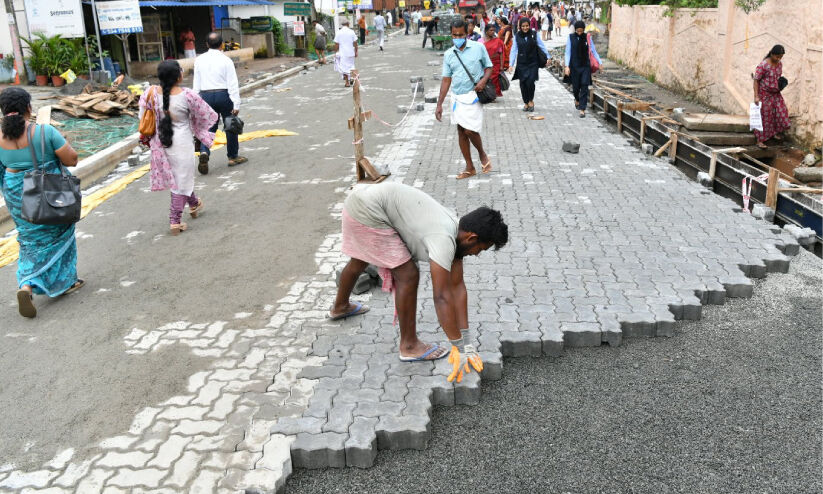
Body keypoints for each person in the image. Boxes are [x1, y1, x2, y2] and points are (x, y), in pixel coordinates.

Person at [330, 182, 508, 377]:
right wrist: (456, 345)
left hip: (364, 201)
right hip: (366, 210)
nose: (477, 255)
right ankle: (409, 345)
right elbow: (441, 297)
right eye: (480, 249)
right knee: (408, 274)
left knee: (361, 258)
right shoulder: (443, 239)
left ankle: (340, 306)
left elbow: (457, 288)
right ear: (472, 238)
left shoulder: (459, 233)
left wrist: (467, 343)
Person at [0, 87, 82, 318]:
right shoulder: (44, 132)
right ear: (28, 107)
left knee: (29, 242)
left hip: (19, 199)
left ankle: (26, 284)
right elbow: (72, 159)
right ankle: (65, 283)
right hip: (50, 195)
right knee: (60, 235)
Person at [140, 60, 217, 236]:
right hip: (181, 143)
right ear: (178, 76)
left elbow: (142, 116)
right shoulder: (188, 95)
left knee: (181, 177)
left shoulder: (149, 93)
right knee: (181, 180)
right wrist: (198, 129)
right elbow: (206, 115)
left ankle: (194, 202)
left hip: (160, 143)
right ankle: (175, 220)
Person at [435, 19, 494, 179]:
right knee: (461, 132)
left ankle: (482, 154)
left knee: (470, 129)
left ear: (467, 33)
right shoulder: (449, 54)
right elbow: (446, 79)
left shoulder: (478, 48)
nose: (457, 37)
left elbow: (489, 67)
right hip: (457, 97)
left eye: (460, 34)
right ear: (451, 34)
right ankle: (470, 167)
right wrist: (439, 104)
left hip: (474, 96)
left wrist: (483, 81)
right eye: (454, 35)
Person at [193, 32, 245, 174]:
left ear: (207, 44)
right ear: (222, 45)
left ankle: (204, 151)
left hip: (206, 96)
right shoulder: (226, 60)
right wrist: (236, 104)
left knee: (209, 127)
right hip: (224, 94)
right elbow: (232, 83)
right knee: (230, 125)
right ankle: (233, 156)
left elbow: (196, 83)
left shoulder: (199, 60)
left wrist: (195, 102)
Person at [508, 17, 550, 112]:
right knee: (523, 83)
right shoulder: (517, 36)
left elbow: (541, 45)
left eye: (527, 26)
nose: (525, 28)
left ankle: (531, 100)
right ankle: (526, 102)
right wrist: (511, 64)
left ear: (529, 26)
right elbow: (514, 50)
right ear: (520, 26)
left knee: (530, 82)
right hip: (522, 63)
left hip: (533, 62)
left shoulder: (534, 34)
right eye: (523, 26)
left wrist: (548, 56)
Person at [753, 45, 790, 149]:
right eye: (777, 57)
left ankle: (773, 133)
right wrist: (756, 96)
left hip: (776, 94)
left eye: (781, 57)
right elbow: (756, 80)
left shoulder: (779, 64)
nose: (779, 59)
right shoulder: (763, 65)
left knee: (780, 113)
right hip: (764, 94)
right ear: (772, 54)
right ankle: (759, 140)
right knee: (764, 117)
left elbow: (776, 77)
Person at [564, 20, 601, 118]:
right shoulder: (571, 37)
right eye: (578, 31)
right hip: (574, 66)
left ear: (584, 30)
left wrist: (600, 62)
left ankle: (582, 109)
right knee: (576, 88)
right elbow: (567, 52)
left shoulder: (588, 37)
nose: (579, 33)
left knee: (584, 86)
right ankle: (576, 99)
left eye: (581, 31)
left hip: (585, 66)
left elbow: (593, 51)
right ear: (575, 30)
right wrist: (567, 66)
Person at [334, 19, 358, 87]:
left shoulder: (339, 32)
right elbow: (355, 43)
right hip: (351, 52)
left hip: (343, 53)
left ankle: (347, 82)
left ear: (342, 25)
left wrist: (335, 52)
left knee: (344, 68)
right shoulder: (351, 32)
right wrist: (356, 51)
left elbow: (336, 44)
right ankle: (353, 79)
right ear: (348, 24)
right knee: (351, 66)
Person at [482, 23, 505, 98]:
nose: (492, 32)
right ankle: (488, 93)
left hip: (496, 64)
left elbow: (501, 53)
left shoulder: (497, 41)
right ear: (486, 31)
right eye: (490, 30)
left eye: (493, 30)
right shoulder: (481, 41)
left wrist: (501, 65)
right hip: (485, 63)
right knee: (487, 79)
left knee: (495, 80)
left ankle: (494, 94)